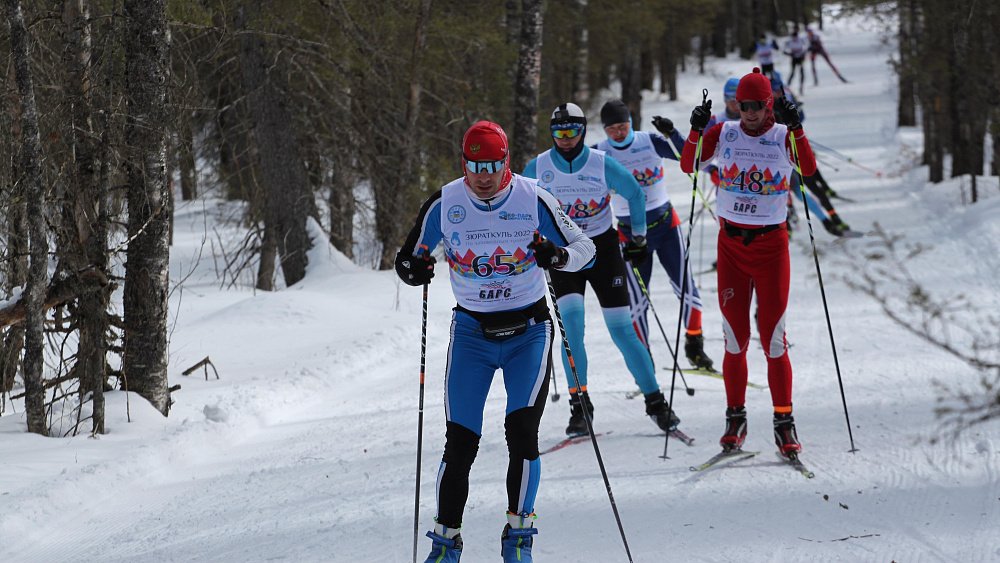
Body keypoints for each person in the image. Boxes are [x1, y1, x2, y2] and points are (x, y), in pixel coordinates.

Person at [395, 120, 596, 563]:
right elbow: (408, 258)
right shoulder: (445, 203)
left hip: (529, 331)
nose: (483, 175)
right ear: (463, 163)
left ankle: (518, 537)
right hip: (471, 335)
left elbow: (587, 248)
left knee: (522, 432)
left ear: (506, 162)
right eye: (474, 165)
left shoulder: (533, 197)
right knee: (460, 440)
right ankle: (446, 542)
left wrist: (558, 256)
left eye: (492, 165)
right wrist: (413, 270)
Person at [680, 67, 818, 459]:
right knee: (734, 338)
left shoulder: (780, 136)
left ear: (769, 104)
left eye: (757, 105)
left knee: (773, 340)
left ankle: (784, 421)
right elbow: (688, 164)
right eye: (743, 105)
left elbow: (807, 169)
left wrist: (797, 129)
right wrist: (695, 129)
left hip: (771, 247)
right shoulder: (724, 133)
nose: (750, 112)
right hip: (732, 248)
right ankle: (735, 418)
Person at [523, 103, 681, 438]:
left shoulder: (600, 163)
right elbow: (522, 208)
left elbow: (636, 194)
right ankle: (580, 405)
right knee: (573, 328)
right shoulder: (538, 167)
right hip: (563, 254)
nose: (565, 139)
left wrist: (638, 237)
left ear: (583, 131)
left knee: (622, 329)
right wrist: (532, 246)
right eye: (559, 132)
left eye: (573, 131)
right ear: (551, 133)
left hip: (601, 249)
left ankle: (656, 402)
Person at [593, 99, 716, 373]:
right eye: (612, 128)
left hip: (666, 225)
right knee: (636, 300)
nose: (618, 133)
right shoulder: (600, 153)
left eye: (623, 126)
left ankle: (694, 344)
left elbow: (690, 158)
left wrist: (672, 133)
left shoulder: (649, 141)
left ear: (631, 123)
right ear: (604, 130)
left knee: (686, 286)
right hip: (629, 234)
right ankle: (644, 357)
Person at [767, 71, 853, 237]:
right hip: (780, 158)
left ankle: (833, 219)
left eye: (777, 90)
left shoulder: (786, 98)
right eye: (772, 91)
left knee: (814, 185)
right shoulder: (766, 107)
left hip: (796, 151)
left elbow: (801, 118)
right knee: (793, 192)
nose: (775, 94)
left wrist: (795, 113)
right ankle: (789, 224)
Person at [783, 28, 809, 94]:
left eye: (796, 37)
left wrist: (804, 53)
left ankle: (801, 87)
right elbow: (784, 50)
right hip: (794, 59)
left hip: (800, 58)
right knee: (792, 72)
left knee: (801, 72)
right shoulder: (790, 41)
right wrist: (789, 53)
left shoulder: (801, 40)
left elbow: (807, 46)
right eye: (793, 37)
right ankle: (787, 87)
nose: (795, 39)